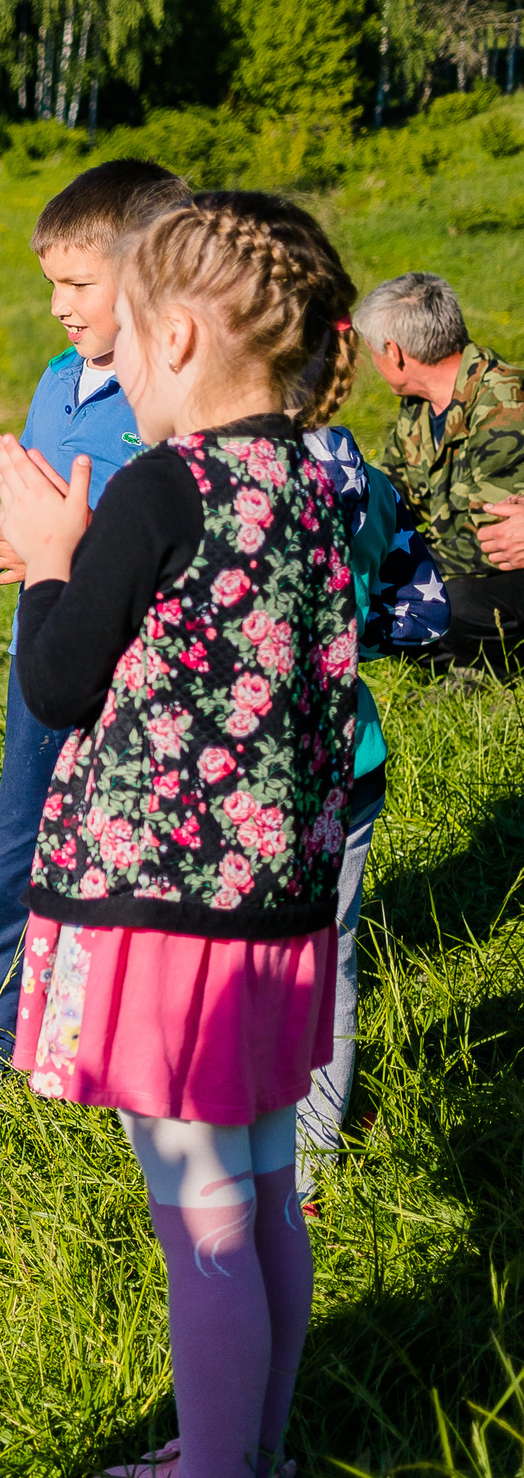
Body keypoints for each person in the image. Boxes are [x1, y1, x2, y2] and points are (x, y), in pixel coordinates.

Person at [0, 192, 363, 1478]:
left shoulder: (164, 485)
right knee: (264, 1190)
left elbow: (56, 678)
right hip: (280, 910)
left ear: (182, 333)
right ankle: (241, 1454)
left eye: (130, 344)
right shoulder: (327, 480)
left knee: (200, 1211)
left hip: (171, 912)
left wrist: (49, 558)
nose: (120, 375)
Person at [0, 160, 192, 1068]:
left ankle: (123, 1052)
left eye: (79, 283)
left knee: (132, 867)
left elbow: (173, 532)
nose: (58, 303)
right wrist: (6, 540)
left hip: (136, 683)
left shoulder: (174, 397)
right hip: (45, 663)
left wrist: (62, 549)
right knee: (19, 856)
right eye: (51, 283)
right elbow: (46, 508)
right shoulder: (57, 378)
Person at [296, 428, 396, 1197]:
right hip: (350, 752)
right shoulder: (360, 470)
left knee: (260, 962)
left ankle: (274, 1150)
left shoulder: (226, 481)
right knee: (331, 953)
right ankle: (314, 1148)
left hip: (267, 773)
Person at [355, 271, 524, 663]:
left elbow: (492, 543)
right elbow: (395, 494)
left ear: (394, 352)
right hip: (459, 564)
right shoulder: (418, 405)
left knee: (450, 601)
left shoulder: (505, 405)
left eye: (373, 351)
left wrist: (397, 563)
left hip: (500, 573)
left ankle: (490, 668)